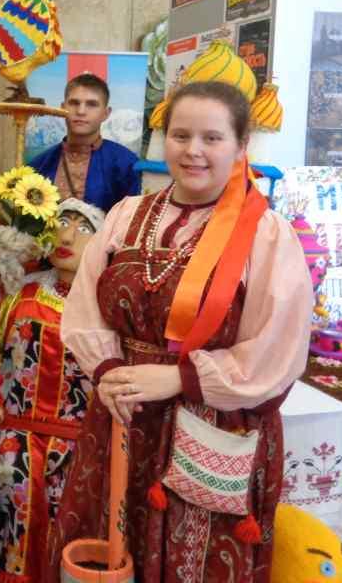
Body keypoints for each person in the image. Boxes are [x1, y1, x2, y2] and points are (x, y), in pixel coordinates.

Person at [49, 81, 314, 583]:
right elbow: (84, 308)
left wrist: (180, 378)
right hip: (124, 413)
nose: (193, 150)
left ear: (241, 145)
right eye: (181, 135)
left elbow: (277, 348)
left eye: (212, 138)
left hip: (213, 423)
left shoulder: (266, 234)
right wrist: (109, 370)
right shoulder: (126, 215)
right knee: (108, 550)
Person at [0, 197, 104, 583]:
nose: (67, 236)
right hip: (16, 443)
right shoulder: (19, 292)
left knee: (72, 539)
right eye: (62, 223)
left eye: (83, 229)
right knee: (15, 538)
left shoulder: (107, 308)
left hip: (81, 447)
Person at [27, 74, 140, 212]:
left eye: (92, 104)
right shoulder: (38, 165)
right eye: (74, 103)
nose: (81, 111)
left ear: (106, 113)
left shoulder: (127, 165)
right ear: (62, 108)